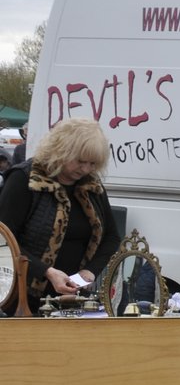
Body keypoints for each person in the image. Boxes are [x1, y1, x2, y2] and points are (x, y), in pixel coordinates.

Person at [0, 118, 120, 314]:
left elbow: (111, 236)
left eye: (92, 163)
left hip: (74, 298)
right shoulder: (24, 179)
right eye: (80, 161)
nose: (86, 169)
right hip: (24, 298)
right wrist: (47, 272)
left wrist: (89, 272)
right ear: (60, 150)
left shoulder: (91, 184)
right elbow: (4, 241)